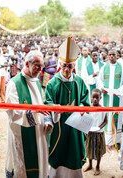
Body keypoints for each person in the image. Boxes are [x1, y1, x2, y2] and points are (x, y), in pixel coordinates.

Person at [45, 37, 90, 177]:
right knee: (59, 152)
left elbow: (85, 101)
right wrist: (55, 107)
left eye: (70, 66)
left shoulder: (80, 81)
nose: (66, 69)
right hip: (59, 126)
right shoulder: (52, 83)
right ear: (60, 64)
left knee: (74, 152)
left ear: (74, 66)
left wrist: (82, 107)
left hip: (75, 127)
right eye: (64, 65)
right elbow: (47, 103)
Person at [5, 50, 53, 178]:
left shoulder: (36, 81)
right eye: (36, 65)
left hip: (39, 133)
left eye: (41, 65)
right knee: (24, 167)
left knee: (41, 164)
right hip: (22, 134)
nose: (39, 69)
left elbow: (42, 105)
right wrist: (35, 111)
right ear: (27, 63)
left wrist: (47, 121)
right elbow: (13, 113)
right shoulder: (14, 84)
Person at [98, 49, 123, 147]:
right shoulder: (104, 67)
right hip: (107, 97)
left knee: (117, 118)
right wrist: (102, 88)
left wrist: (119, 91)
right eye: (110, 55)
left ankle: (117, 141)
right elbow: (100, 80)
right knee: (107, 117)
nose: (111, 56)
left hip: (117, 98)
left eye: (113, 55)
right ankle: (108, 141)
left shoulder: (122, 68)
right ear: (107, 56)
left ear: (117, 56)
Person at [84, 89, 107, 176]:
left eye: (97, 97)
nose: (95, 99)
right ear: (91, 97)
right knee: (89, 149)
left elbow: (105, 121)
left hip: (99, 133)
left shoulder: (103, 109)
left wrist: (99, 127)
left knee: (99, 150)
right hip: (89, 132)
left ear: (100, 98)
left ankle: (97, 166)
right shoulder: (88, 108)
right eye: (93, 97)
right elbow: (85, 119)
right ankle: (90, 165)